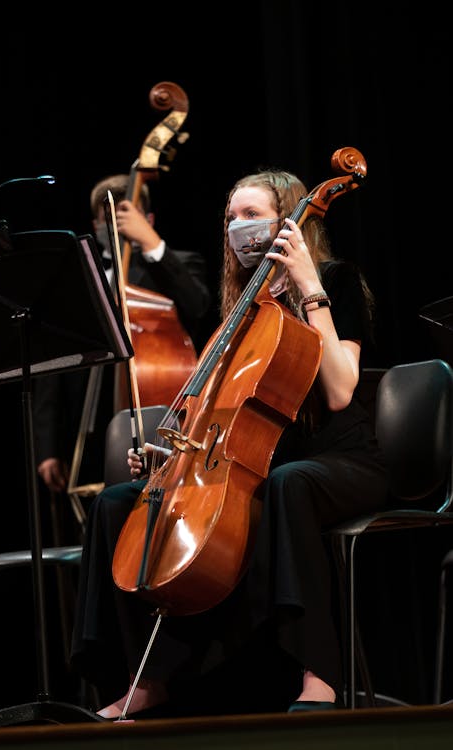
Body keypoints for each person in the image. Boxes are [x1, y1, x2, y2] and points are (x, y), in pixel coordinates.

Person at [70, 168, 390, 719]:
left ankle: (319, 675)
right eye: (230, 219)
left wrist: (309, 287)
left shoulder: (334, 280)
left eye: (252, 215)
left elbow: (339, 391)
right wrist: (169, 455)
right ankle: (144, 679)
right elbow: (225, 412)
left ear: (289, 218)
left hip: (338, 458)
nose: (237, 228)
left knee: (291, 485)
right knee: (116, 503)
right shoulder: (239, 309)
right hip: (256, 460)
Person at [33, 174, 211, 502]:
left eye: (125, 219)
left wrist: (151, 244)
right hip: (86, 426)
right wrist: (47, 447)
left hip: (150, 417)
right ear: (94, 224)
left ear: (150, 220)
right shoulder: (79, 280)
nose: (113, 228)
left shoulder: (180, 263)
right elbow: (56, 364)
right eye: (106, 221)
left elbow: (198, 306)